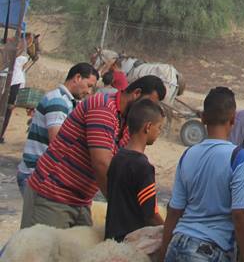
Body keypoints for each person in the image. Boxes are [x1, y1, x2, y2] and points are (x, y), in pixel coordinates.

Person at [21, 75, 167, 229]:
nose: (149, 111)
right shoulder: (103, 107)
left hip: (81, 200)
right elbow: (102, 163)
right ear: (136, 93)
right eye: (148, 104)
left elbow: (122, 168)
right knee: (41, 250)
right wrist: (120, 209)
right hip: (53, 195)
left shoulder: (127, 122)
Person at [161, 86, 244, 262]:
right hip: (210, 250)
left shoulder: (188, 154)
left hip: (177, 243)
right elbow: (240, 213)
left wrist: (163, 253)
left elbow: (174, 210)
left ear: (202, 118)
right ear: (233, 119)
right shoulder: (239, 157)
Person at [17, 62, 100, 194]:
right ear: (77, 78)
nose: (89, 92)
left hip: (40, 173)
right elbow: (58, 142)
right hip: (37, 174)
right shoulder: (58, 102)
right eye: (88, 86)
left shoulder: (66, 101)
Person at [105, 98, 166, 241]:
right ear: (148, 127)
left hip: (111, 240)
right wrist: (167, 233)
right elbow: (150, 215)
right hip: (132, 244)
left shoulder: (117, 158)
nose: (159, 132)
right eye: (159, 127)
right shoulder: (143, 167)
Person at [0, 39, 32, 143]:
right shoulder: (21, 60)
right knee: (8, 110)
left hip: (8, 79)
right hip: (14, 84)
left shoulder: (8, 58)